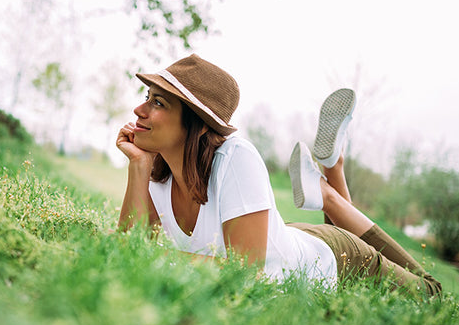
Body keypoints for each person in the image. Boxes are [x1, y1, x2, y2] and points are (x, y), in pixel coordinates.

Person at [116, 54, 441, 297]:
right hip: (288, 240)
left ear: (196, 123)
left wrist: (161, 257)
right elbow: (131, 250)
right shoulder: (160, 175)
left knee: (431, 293)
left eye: (157, 103)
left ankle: (327, 190)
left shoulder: (235, 158)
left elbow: (245, 273)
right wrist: (138, 167)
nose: (139, 110)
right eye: (146, 98)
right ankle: (329, 176)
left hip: (340, 261)